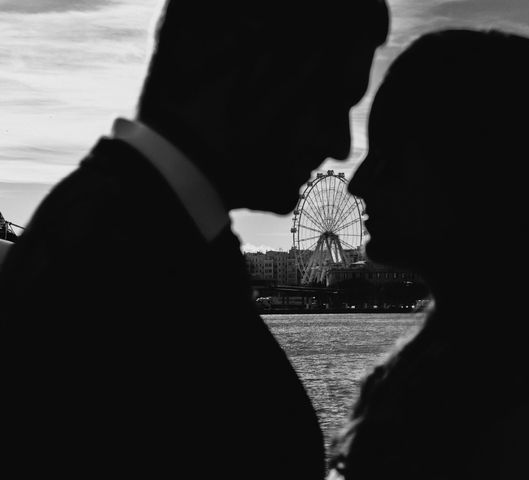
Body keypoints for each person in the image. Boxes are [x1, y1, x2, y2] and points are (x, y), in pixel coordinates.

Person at [0, 2, 388, 476]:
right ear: (246, 64)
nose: (341, 143)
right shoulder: (125, 271)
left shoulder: (123, 233)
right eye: (331, 99)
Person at [329, 29, 529, 480]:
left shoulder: (513, 406)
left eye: (388, 157)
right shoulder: (521, 382)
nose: (359, 184)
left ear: (472, 178)